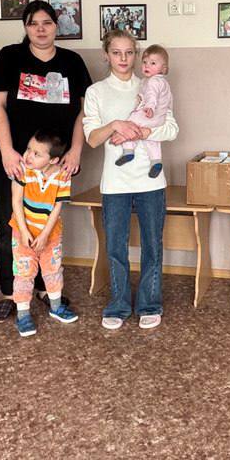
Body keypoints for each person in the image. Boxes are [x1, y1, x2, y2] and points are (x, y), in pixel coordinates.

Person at [0, 0, 90, 322]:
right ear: (25, 27)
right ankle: (11, 292)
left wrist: (75, 150)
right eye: (33, 23)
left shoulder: (72, 62)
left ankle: (44, 288)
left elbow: (85, 111)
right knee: (11, 225)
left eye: (47, 23)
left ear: (57, 26)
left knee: (48, 224)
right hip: (14, 160)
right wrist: (7, 151)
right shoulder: (9, 57)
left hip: (55, 164)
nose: (41, 29)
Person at [82, 30, 179, 330]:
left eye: (129, 52)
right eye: (116, 52)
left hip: (151, 182)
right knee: (115, 247)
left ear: (137, 55)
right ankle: (119, 304)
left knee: (152, 245)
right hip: (115, 184)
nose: (123, 58)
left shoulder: (153, 84)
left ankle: (150, 304)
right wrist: (116, 125)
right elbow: (92, 138)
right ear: (106, 55)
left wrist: (145, 131)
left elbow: (171, 129)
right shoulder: (96, 91)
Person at [8, 130, 79, 337]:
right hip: (23, 233)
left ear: (53, 160)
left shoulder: (62, 175)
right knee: (24, 272)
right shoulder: (23, 170)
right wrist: (24, 232)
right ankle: (23, 316)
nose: (28, 155)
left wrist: (46, 234)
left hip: (51, 234)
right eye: (28, 149)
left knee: (52, 269)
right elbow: (16, 201)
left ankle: (56, 307)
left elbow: (57, 207)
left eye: (37, 154)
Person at [114, 44, 172, 179]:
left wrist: (149, 107)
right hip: (159, 118)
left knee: (129, 124)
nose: (147, 66)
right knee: (151, 139)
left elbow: (152, 95)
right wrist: (141, 97)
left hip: (149, 113)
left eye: (153, 63)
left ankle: (128, 150)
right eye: (145, 62)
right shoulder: (160, 82)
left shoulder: (153, 81)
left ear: (163, 68)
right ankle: (156, 161)